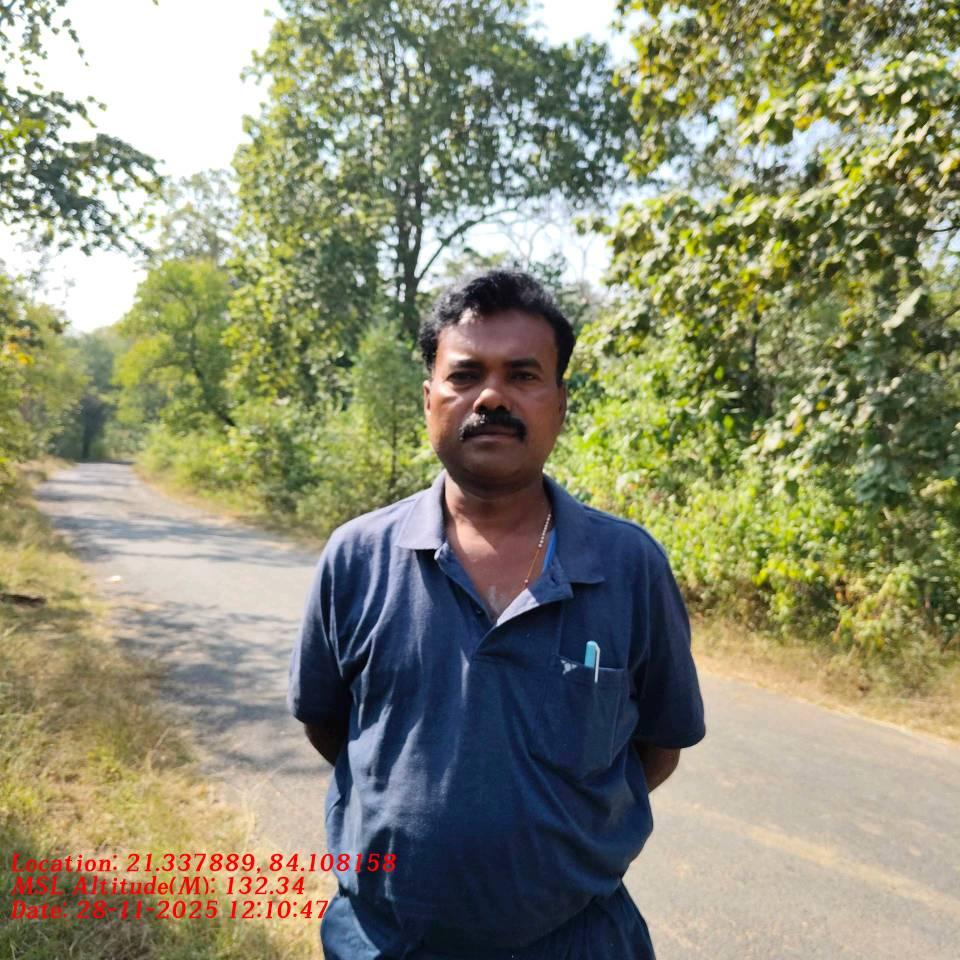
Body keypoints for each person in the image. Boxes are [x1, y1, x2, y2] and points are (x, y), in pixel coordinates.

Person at [288, 269, 706, 959]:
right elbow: (331, 726)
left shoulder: (630, 565)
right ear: (428, 399)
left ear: (560, 404)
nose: (491, 397)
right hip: (385, 939)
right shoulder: (358, 556)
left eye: (522, 375)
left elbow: (658, 746)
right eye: (465, 375)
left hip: (578, 940)